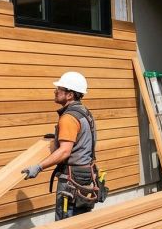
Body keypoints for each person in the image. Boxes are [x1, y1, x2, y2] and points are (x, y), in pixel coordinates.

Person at [21, 71, 102, 220]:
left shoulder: (68, 118)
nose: (55, 91)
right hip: (86, 176)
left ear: (70, 94)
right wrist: (60, 137)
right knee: (80, 222)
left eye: (59, 89)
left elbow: (65, 151)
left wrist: (38, 167)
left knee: (64, 224)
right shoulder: (84, 112)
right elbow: (81, 138)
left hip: (71, 180)